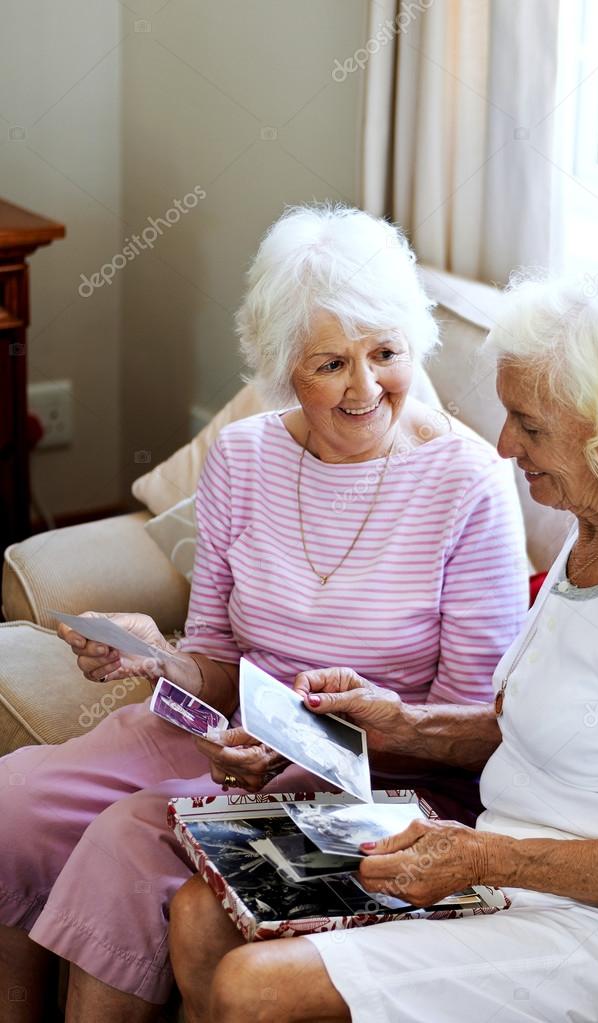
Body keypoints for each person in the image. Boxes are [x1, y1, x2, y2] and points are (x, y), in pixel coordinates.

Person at [0, 205, 527, 1023]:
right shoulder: (243, 455)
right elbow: (212, 653)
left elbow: (465, 729)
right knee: (12, 804)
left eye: (385, 353)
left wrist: (315, 743)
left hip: (373, 773)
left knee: (131, 842)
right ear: (284, 368)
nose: (365, 388)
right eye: (329, 364)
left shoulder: (469, 484)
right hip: (225, 731)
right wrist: (157, 660)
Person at [170, 274, 598, 1023]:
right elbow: (521, 728)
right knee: (198, 911)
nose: (504, 445)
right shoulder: (590, 529)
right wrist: (396, 723)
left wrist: (483, 857)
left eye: (528, 425)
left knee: (257, 986)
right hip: (506, 869)